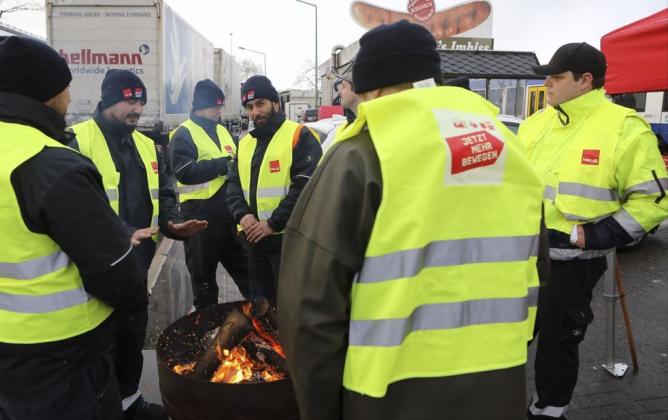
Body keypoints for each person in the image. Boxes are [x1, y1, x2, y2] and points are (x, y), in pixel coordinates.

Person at [277, 20, 550, 420]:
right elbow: (538, 272)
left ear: (375, 87)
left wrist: (320, 408)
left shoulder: (362, 155)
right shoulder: (509, 148)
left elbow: (309, 310)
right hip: (498, 387)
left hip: (387, 396)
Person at [0, 36, 147, 419]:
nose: (68, 96)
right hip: (62, 364)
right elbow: (119, 275)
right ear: (50, 92)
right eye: (65, 86)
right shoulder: (53, 166)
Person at [519, 42, 668, 420]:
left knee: (556, 344)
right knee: (510, 337)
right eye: (547, 77)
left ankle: (548, 412)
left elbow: (654, 200)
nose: (548, 85)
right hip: (518, 256)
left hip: (572, 263)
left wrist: (597, 236)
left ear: (585, 80)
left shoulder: (624, 128)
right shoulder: (537, 122)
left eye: (556, 77)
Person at [71, 69, 206, 419]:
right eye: (130, 100)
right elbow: (76, 205)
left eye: (141, 102)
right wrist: (122, 230)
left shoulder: (146, 144)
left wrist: (173, 224)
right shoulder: (76, 140)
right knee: (98, 347)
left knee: (132, 337)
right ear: (109, 100)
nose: (137, 108)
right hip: (94, 270)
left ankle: (129, 403)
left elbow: (164, 193)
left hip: (137, 263)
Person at [226, 75, 322, 304]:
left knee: (291, 306)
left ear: (276, 103)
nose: (255, 112)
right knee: (262, 307)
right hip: (254, 242)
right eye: (249, 107)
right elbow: (233, 185)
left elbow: (305, 188)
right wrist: (243, 215)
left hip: (289, 242)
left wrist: (272, 224)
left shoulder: (299, 135)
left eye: (260, 104)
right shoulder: (245, 143)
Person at [168, 79, 252, 309]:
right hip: (200, 221)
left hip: (229, 220)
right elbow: (184, 172)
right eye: (215, 105)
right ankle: (206, 338)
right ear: (200, 106)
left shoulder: (223, 131)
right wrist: (220, 165)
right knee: (204, 285)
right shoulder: (183, 134)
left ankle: (260, 329)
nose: (219, 110)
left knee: (249, 278)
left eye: (220, 105)